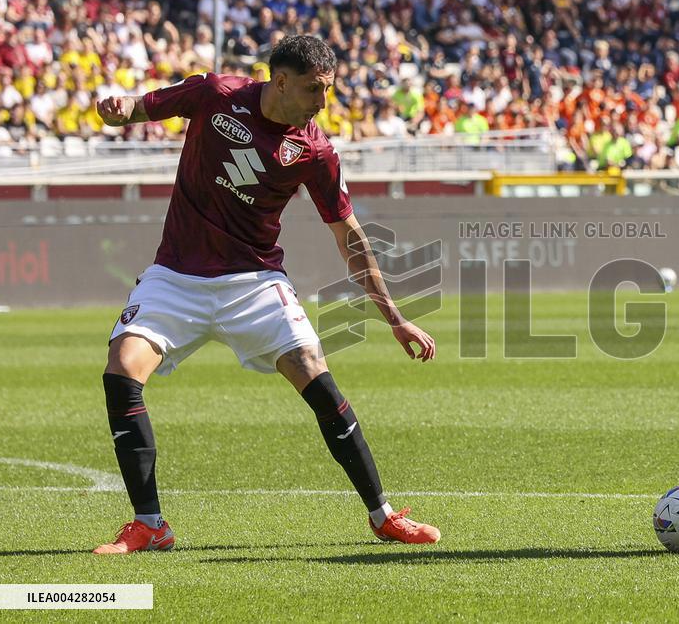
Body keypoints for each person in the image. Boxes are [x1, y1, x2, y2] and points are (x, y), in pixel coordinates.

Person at [92, 36, 440, 554]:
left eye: (329, 89)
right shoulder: (215, 94)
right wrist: (120, 111)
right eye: (314, 89)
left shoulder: (315, 149)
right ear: (280, 81)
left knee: (315, 375)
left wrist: (394, 317)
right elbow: (143, 106)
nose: (323, 102)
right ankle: (149, 525)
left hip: (255, 282)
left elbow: (349, 236)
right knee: (122, 370)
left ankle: (383, 515)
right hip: (177, 276)